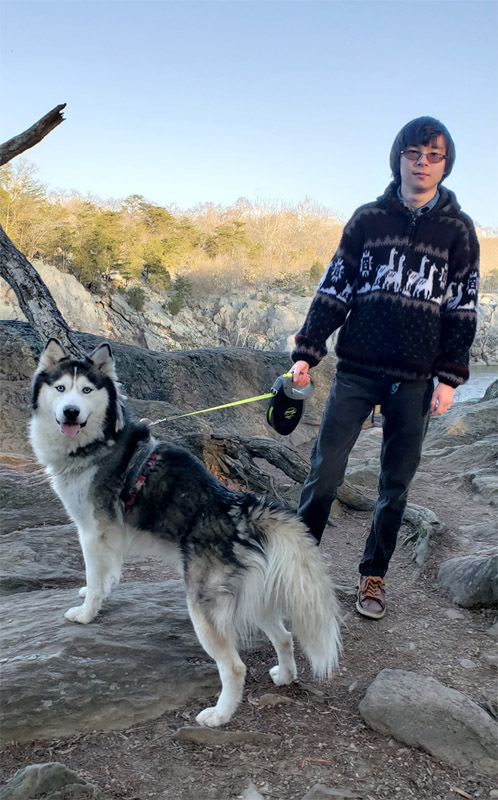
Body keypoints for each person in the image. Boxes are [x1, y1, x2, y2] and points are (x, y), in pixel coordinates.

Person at [290, 116, 479, 620]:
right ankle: (298, 573)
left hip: (415, 380)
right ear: (398, 158)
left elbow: (462, 307)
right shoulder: (367, 218)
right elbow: (335, 286)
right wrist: (308, 350)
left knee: (395, 485)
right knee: (323, 474)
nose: (422, 163)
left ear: (445, 164)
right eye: (414, 153)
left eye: (433, 155)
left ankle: (373, 577)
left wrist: (449, 378)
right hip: (356, 370)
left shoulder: (458, 231)